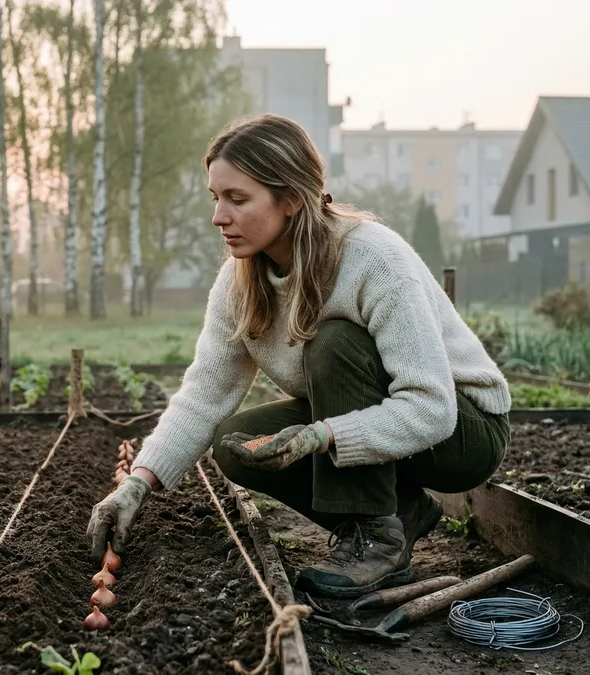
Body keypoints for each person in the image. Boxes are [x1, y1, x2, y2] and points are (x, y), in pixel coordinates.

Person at [85, 113, 511, 598]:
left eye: (237, 199)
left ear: (289, 199)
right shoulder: (239, 283)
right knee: (236, 441)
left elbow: (433, 409)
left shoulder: (372, 260)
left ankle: (375, 542)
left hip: (461, 432)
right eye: (216, 198)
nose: (218, 216)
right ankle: (402, 513)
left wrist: (323, 435)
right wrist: (138, 483)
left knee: (333, 343)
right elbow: (206, 393)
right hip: (382, 421)